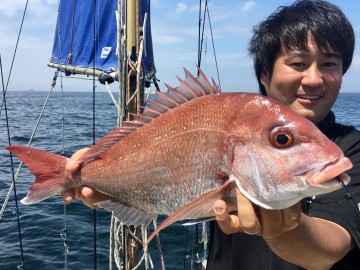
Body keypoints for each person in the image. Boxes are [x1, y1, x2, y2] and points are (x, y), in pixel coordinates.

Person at [62, 0, 360, 269]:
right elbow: (161, 186)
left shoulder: (349, 148)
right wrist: (98, 172)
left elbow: (330, 249)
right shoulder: (236, 122)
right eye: (298, 63)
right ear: (265, 76)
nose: (314, 78)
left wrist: (286, 229)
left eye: (329, 64)